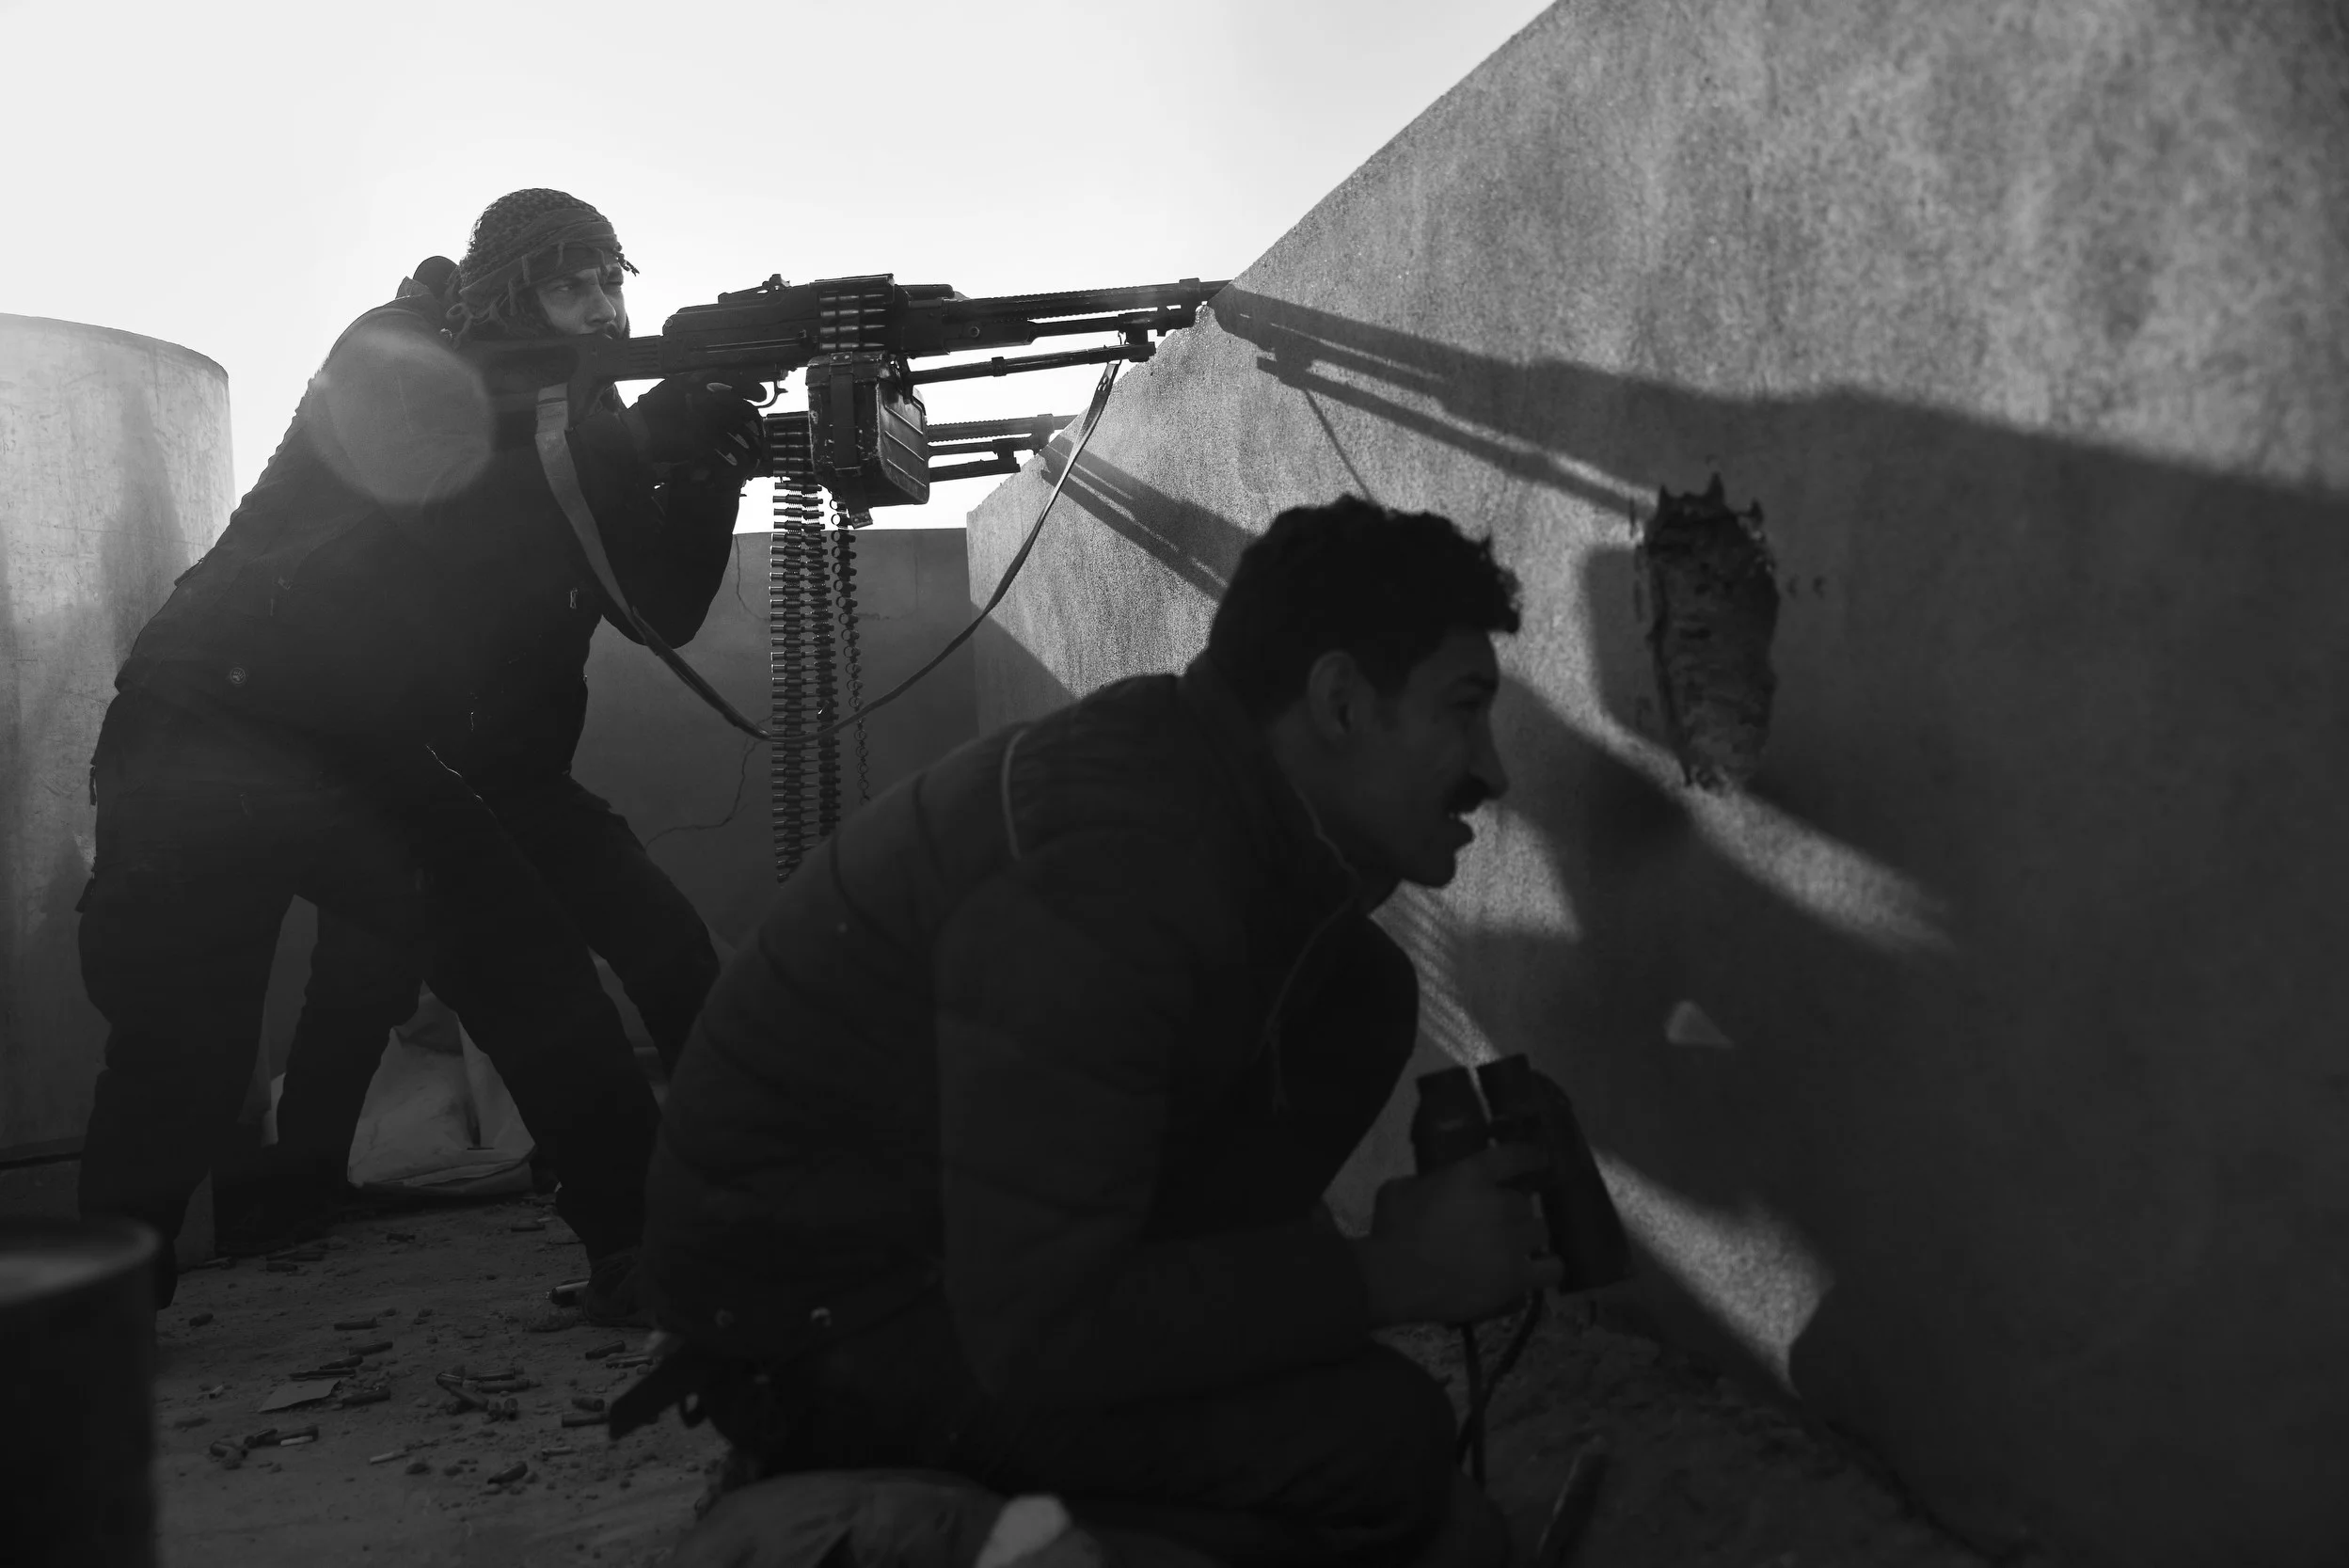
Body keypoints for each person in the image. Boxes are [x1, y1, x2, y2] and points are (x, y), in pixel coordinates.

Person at [637, 498, 1548, 1567]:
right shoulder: (1112, 871)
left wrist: (1339, 1281)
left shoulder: (1220, 824)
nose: (1493, 772)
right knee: (1381, 1442)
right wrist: (1392, 1272)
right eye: (1462, 709)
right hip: (817, 1331)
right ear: (1341, 700)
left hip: (947, 1270)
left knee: (1357, 999)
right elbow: (1044, 1323)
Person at [77, 189, 761, 1310]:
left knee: (531, 973)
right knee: (182, 1051)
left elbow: (659, 604)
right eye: (568, 281)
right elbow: (440, 436)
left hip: (363, 743)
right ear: (505, 289)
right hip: (207, 718)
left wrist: (703, 461)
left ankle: (641, 1247)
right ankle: (99, 1313)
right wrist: (638, 427)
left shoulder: (571, 415)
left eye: (610, 279)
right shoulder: (397, 341)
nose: (600, 306)